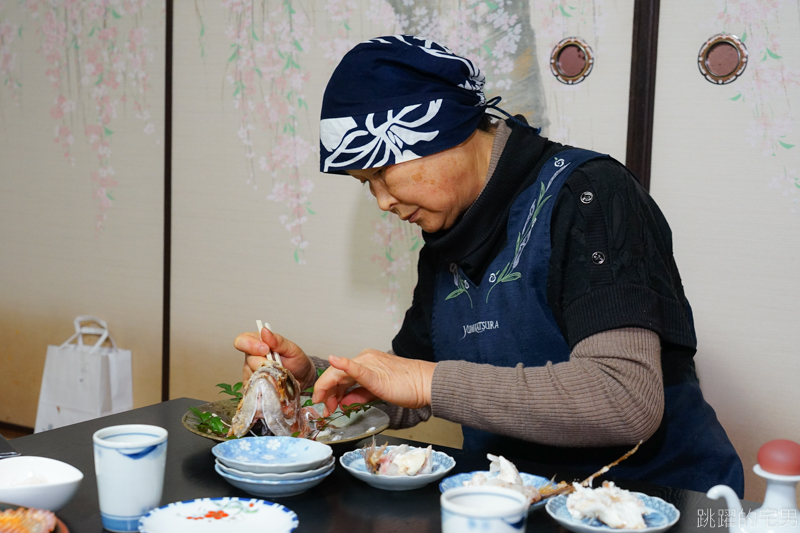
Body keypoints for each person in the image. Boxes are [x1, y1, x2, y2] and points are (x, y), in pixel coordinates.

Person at [234, 35, 745, 497]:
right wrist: (313, 380)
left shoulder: (590, 196)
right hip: (514, 500)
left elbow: (623, 397)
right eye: (365, 184)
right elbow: (408, 391)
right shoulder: (447, 235)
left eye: (382, 173)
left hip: (672, 501)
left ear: (444, 130)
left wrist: (427, 382)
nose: (382, 202)